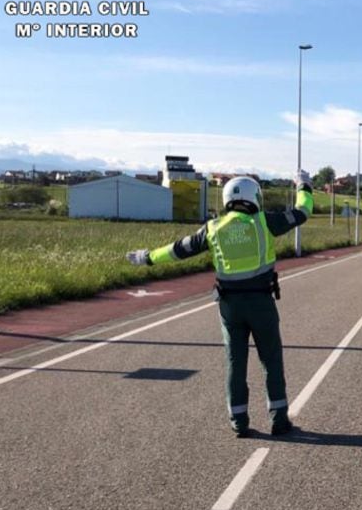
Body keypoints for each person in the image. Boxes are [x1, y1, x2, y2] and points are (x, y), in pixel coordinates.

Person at [126, 171, 314, 437]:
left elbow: (180, 249)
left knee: (235, 363)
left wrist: (148, 258)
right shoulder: (264, 222)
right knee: (271, 361)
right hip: (261, 302)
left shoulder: (213, 228)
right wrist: (304, 185)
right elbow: (302, 211)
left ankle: (239, 421)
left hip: (229, 306)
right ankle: (279, 421)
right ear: (255, 198)